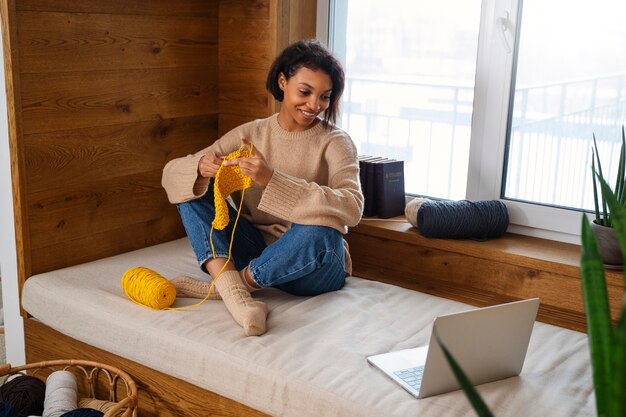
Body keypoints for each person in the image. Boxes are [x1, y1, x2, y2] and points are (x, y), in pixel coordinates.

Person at [161, 39, 363, 336]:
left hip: (314, 266)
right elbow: (169, 175)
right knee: (191, 190)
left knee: (322, 229)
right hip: (255, 249)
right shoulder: (250, 134)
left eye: (325, 97)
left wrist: (272, 179)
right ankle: (241, 297)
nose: (314, 106)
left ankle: (229, 288)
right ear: (283, 81)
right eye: (305, 92)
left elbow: (353, 206)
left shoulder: (336, 142)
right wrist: (201, 167)